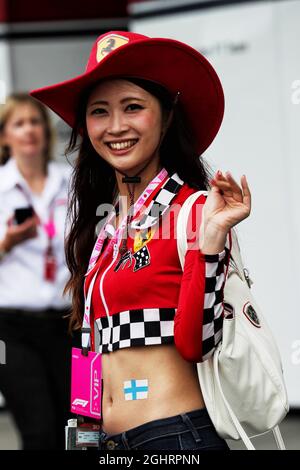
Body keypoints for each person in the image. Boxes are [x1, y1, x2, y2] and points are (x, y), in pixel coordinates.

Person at [30, 31, 251, 451]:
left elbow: (196, 343)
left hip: (174, 437)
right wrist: (84, 435)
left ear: (167, 118)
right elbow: (88, 339)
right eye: (99, 112)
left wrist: (210, 243)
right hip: (109, 444)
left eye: (133, 107)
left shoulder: (197, 210)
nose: (116, 127)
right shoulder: (106, 227)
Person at [0, 93, 75, 450]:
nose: (29, 129)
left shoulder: (71, 182)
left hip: (67, 323)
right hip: (9, 330)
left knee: (75, 427)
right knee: (39, 429)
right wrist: (7, 243)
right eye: (19, 123)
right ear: (4, 136)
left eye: (35, 121)